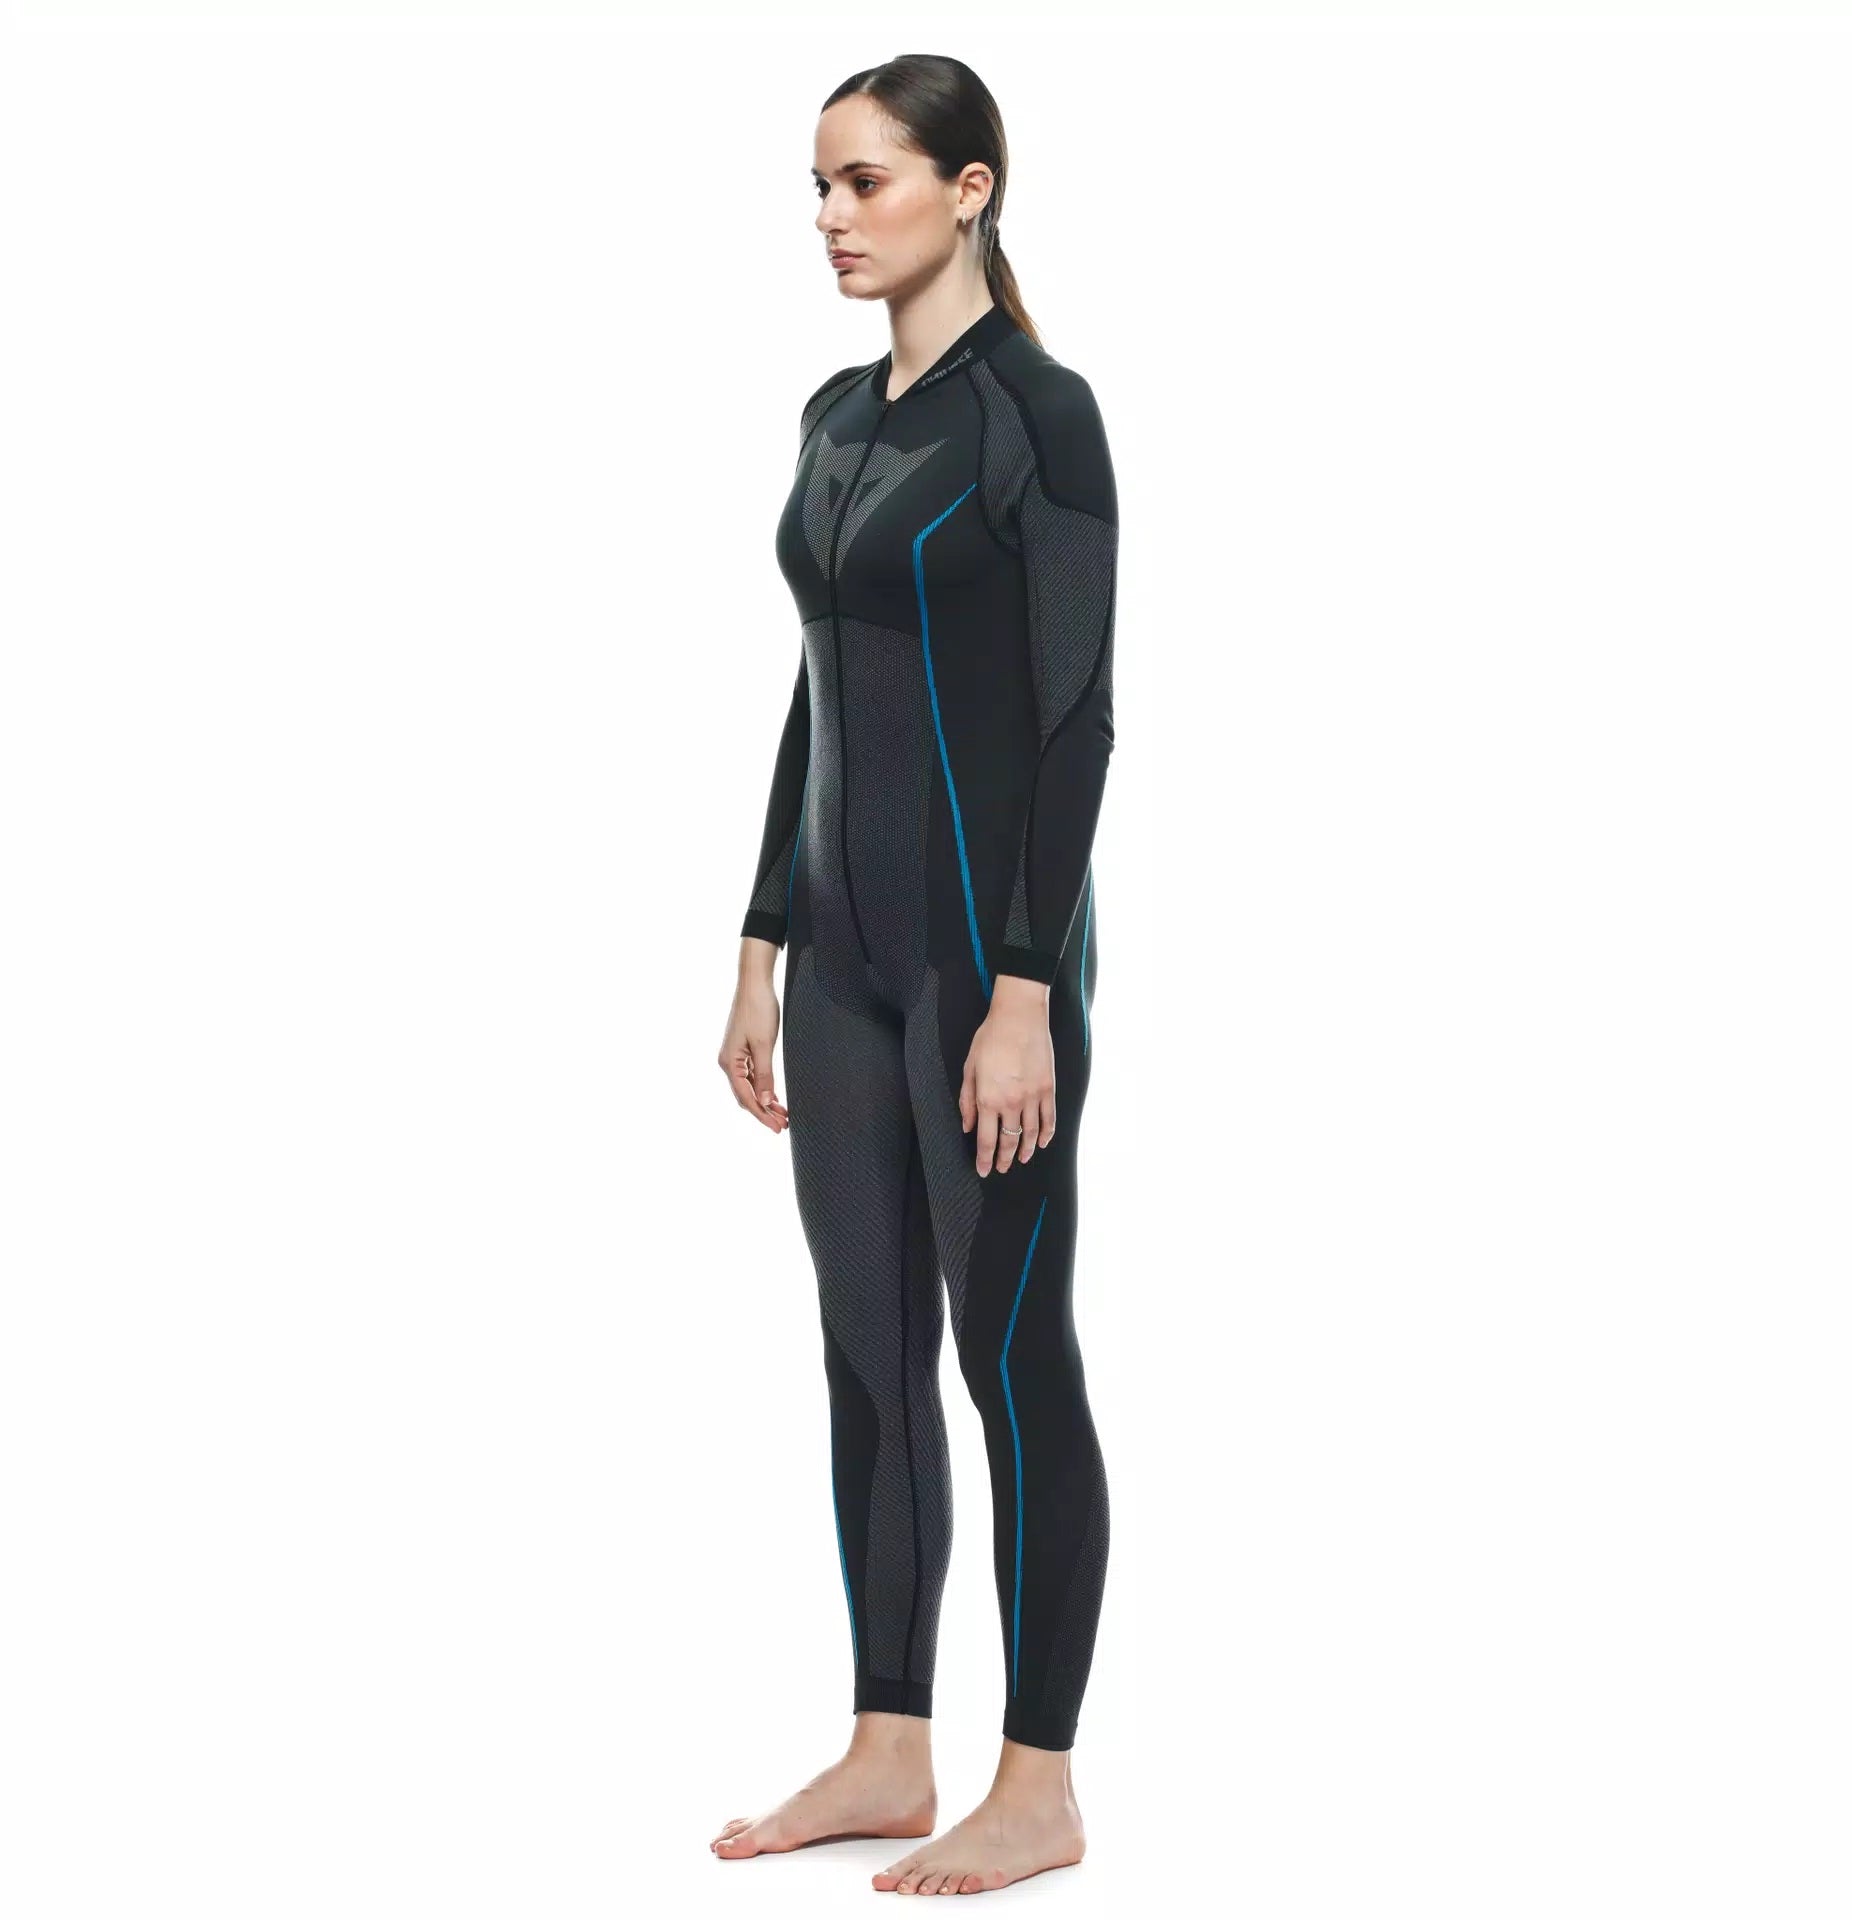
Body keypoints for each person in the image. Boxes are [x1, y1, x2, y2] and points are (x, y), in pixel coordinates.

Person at [713, 54, 1119, 1898]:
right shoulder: (832, 416)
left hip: (981, 970)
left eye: (863, 182)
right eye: (817, 187)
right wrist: (759, 941)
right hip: (842, 960)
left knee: (1007, 1353)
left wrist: (1025, 993)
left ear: (970, 189)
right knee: (864, 1348)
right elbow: (821, 682)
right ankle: (890, 1747)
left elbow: (1075, 718)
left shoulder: (1040, 415)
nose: (830, 217)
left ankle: (1037, 1786)